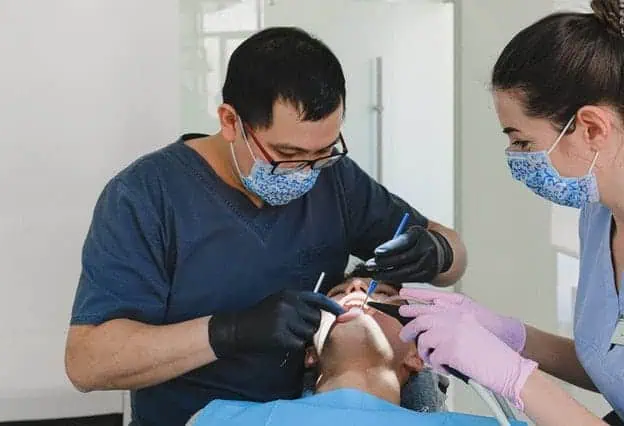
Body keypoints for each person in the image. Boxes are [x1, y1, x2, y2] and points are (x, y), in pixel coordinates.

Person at [64, 27, 467, 426]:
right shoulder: (146, 196)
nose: (306, 172)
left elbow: (453, 258)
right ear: (230, 120)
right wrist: (231, 331)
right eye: (287, 153)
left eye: (323, 152)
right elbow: (88, 363)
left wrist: (439, 252)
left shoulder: (337, 181)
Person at [396, 1, 624, 425]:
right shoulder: (598, 218)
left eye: (522, 142)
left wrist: (515, 378)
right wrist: (512, 337)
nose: (515, 158)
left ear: (591, 128)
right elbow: (612, 363)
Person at [188, 277, 524, 426]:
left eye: (386, 295)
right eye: (337, 292)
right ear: (310, 353)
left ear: (417, 356)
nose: (357, 289)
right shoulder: (218, 419)